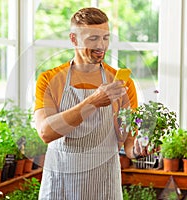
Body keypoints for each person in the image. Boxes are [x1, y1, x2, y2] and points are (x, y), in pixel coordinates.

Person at [34, 7, 139, 200]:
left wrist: (139, 149)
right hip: (61, 181)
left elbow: (129, 142)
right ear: (73, 39)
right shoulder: (50, 79)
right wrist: (94, 101)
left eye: (106, 38)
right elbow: (46, 132)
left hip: (104, 183)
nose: (101, 46)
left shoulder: (121, 83)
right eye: (93, 38)